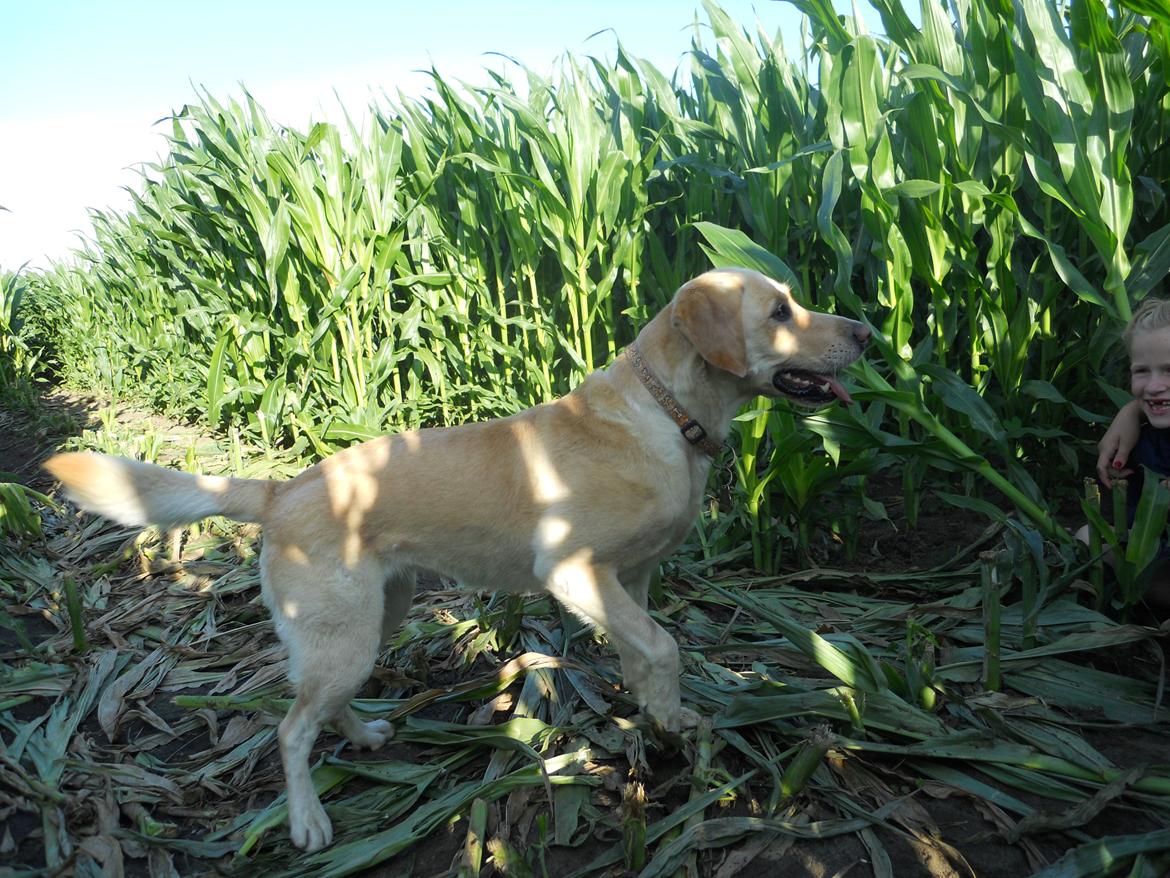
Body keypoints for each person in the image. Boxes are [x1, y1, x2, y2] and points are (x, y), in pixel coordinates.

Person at [1082, 298, 1170, 616]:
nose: (1155, 386)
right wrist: (1131, 410)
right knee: (1083, 541)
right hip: (1148, 556)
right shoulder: (1145, 439)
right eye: (1142, 371)